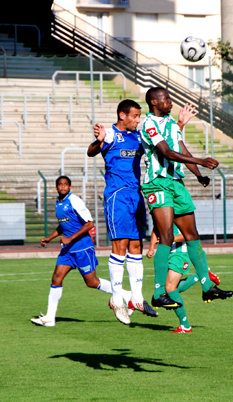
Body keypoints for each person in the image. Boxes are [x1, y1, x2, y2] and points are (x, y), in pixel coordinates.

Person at [140, 87, 233, 308]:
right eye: (167, 99)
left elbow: (182, 149)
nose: (171, 102)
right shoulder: (148, 124)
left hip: (176, 184)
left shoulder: (172, 124)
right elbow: (166, 152)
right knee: (166, 237)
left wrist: (198, 174)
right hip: (157, 183)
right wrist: (202, 161)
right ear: (154, 102)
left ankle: (206, 286)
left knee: (192, 235)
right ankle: (158, 293)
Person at [88, 99, 157, 325]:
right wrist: (98, 142)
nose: (138, 120)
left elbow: (161, 145)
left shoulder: (138, 136)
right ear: (122, 115)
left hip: (136, 195)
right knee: (120, 245)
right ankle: (117, 299)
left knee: (137, 245)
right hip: (117, 196)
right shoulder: (110, 134)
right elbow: (91, 151)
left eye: (139, 116)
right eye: (135, 116)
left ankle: (136, 297)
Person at [31, 176, 130, 327]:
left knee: (91, 282)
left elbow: (89, 224)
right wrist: (49, 238)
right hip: (68, 251)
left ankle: (125, 295)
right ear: (56, 188)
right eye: (60, 185)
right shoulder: (58, 203)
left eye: (65, 184)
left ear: (70, 187)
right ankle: (50, 318)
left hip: (83, 248)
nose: (63, 187)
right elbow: (62, 226)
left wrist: (70, 238)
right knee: (56, 278)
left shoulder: (75, 200)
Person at [147, 224, 222, 333]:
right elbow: (156, 229)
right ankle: (201, 276)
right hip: (166, 252)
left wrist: (169, 239)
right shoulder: (160, 211)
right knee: (170, 291)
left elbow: (188, 235)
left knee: (170, 288)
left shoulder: (177, 212)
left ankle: (185, 325)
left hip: (180, 253)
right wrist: (151, 248)